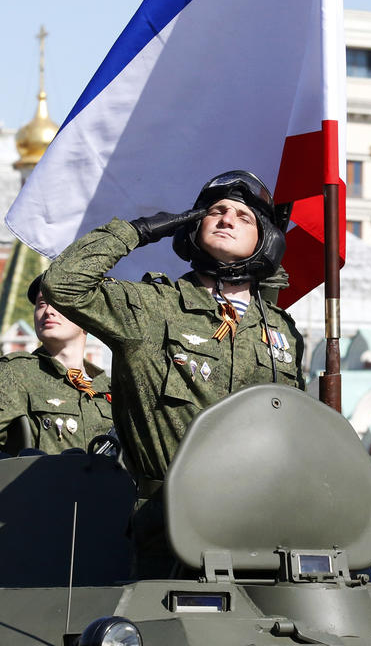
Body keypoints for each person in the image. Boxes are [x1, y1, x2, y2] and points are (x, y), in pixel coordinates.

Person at [42, 170, 303, 573]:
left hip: (262, 528)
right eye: (215, 211)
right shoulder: (151, 308)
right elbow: (63, 284)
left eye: (243, 216)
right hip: (168, 523)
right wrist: (138, 231)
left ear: (266, 240)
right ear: (194, 228)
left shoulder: (280, 330)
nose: (227, 219)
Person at [0, 274, 113, 465]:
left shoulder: (110, 390)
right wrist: (25, 478)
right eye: (42, 303)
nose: (49, 311)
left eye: (60, 303)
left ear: (88, 317)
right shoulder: (16, 373)